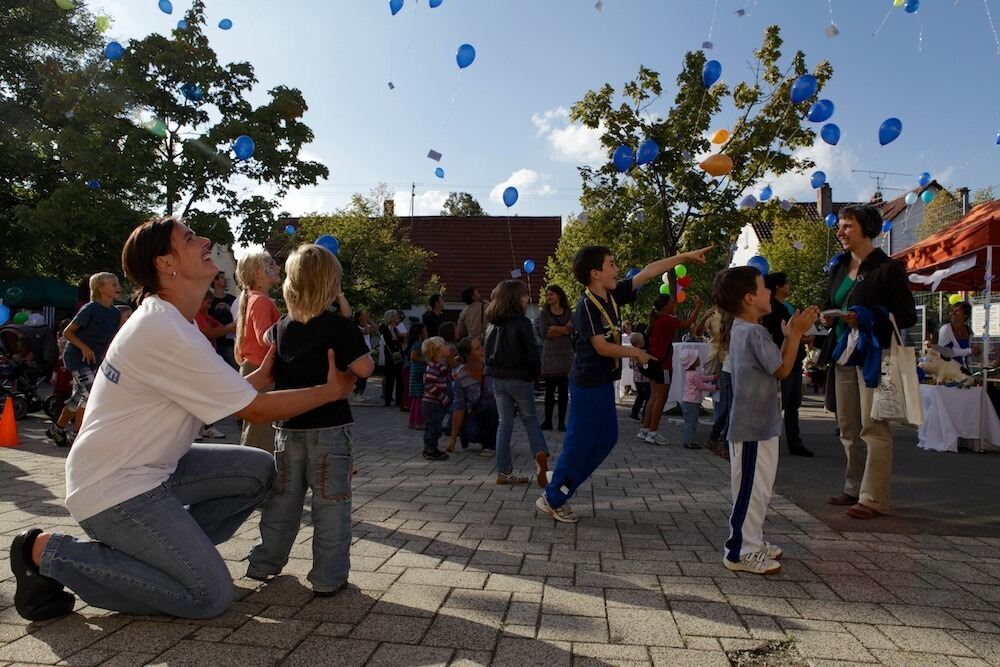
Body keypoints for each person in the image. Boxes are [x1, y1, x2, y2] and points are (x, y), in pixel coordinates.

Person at [8, 217, 356, 622]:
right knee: (208, 597)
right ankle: (45, 552)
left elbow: (243, 388)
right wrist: (332, 391)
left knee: (260, 468)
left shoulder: (176, 321)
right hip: (114, 489)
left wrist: (272, 367)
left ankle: (164, 554)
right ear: (165, 264)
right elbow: (254, 410)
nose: (206, 240)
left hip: (153, 472)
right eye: (190, 239)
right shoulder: (164, 328)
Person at [536, 245, 712, 523]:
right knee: (578, 443)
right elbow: (602, 347)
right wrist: (636, 353)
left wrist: (684, 257)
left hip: (603, 381)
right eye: (611, 264)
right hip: (586, 384)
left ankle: (559, 483)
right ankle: (554, 495)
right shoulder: (585, 307)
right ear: (596, 274)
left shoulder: (613, 293)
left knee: (607, 439)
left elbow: (649, 271)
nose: (617, 268)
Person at [246, 244, 373, 596]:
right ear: (332, 285)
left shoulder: (282, 326)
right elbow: (364, 368)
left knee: (283, 501)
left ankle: (264, 563)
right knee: (331, 504)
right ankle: (327, 578)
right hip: (330, 428)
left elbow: (267, 364)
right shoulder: (339, 327)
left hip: (287, 430)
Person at [713, 266, 818, 574]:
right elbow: (783, 370)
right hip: (753, 427)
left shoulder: (748, 330)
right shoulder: (753, 332)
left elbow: (777, 365)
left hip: (758, 425)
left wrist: (789, 336)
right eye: (762, 288)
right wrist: (796, 333)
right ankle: (739, 550)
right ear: (749, 298)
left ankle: (752, 541)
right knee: (751, 489)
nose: (769, 292)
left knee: (758, 489)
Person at [819, 204, 917, 520]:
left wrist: (863, 317)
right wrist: (826, 316)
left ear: (866, 229)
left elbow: (905, 316)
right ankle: (852, 486)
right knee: (847, 426)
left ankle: (874, 498)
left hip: (874, 357)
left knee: (873, 427)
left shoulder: (888, 269)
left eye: (847, 226)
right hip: (842, 354)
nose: (840, 231)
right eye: (840, 226)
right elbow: (829, 300)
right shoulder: (837, 267)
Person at [483, 281, 551, 486]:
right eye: (524, 296)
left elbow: (487, 352)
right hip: (520, 378)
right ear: (514, 298)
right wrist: (535, 374)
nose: (527, 299)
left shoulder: (492, 323)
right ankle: (540, 456)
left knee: (504, 424)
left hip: (497, 378)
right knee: (530, 420)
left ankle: (503, 472)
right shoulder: (522, 323)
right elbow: (532, 352)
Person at [46, 272, 122, 448]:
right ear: (100, 288)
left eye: (118, 283)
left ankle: (57, 429)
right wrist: (84, 347)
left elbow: (112, 337)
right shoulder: (90, 308)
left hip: (95, 360)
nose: (118, 287)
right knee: (91, 392)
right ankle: (79, 435)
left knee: (79, 397)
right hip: (77, 358)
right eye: (113, 284)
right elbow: (68, 332)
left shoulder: (115, 313)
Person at [637, 292, 702, 445]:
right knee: (661, 398)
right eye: (673, 302)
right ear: (666, 306)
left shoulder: (657, 320)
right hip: (663, 366)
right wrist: (698, 306)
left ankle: (645, 429)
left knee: (653, 397)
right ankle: (653, 432)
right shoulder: (667, 320)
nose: (675, 304)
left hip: (654, 364)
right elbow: (688, 323)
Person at [761, 273, 813, 457]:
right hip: (782, 360)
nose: (790, 285)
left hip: (794, 358)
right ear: (778, 286)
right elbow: (779, 336)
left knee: (793, 402)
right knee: (781, 402)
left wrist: (800, 336)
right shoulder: (772, 309)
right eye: (787, 282)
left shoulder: (786, 307)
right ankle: (771, 440)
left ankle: (794, 441)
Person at [234, 251, 281, 453]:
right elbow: (265, 337)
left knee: (257, 432)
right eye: (271, 263)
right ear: (257, 273)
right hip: (261, 370)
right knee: (261, 437)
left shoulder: (253, 299)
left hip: (254, 368)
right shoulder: (261, 301)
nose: (278, 267)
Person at [194, 290, 237, 440]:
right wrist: (229, 328)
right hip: (200, 361)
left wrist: (226, 328)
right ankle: (199, 429)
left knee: (209, 395)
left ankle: (208, 427)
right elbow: (209, 332)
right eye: (207, 302)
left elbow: (216, 327)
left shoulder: (203, 315)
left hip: (208, 358)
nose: (209, 306)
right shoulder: (196, 315)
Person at [447, 337, 498, 455]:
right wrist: (453, 439)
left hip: (495, 411)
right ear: (468, 355)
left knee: (492, 405)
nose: (482, 350)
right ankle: (466, 433)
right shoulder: (461, 378)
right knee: (473, 434)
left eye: (481, 347)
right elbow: (459, 407)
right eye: (477, 349)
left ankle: (489, 445)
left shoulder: (491, 368)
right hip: (476, 412)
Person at [695, 306, 733, 458]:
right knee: (729, 406)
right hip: (727, 363)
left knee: (727, 405)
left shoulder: (734, 313)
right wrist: (704, 316)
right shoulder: (723, 314)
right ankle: (724, 443)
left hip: (726, 362)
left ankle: (715, 438)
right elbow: (697, 333)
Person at [538, 284, 574, 431]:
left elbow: (571, 329)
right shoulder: (544, 313)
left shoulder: (568, 312)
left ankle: (561, 422)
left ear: (559, 295)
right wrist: (563, 330)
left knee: (564, 392)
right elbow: (545, 332)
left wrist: (556, 329)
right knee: (550, 392)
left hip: (565, 354)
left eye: (551, 294)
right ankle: (547, 421)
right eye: (547, 295)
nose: (549, 297)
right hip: (550, 354)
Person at [421, 336, 451, 461]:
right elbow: (429, 384)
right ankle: (430, 450)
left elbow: (442, 378)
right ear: (438, 351)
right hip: (432, 403)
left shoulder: (439, 365)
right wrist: (442, 396)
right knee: (433, 427)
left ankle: (432, 448)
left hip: (435, 403)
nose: (447, 346)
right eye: (444, 345)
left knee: (435, 427)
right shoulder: (434, 367)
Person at [679, 347, 715, 450]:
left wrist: (712, 377)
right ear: (693, 362)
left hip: (687, 401)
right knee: (692, 423)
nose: (699, 359)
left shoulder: (690, 373)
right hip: (692, 402)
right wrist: (713, 387)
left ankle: (688, 440)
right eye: (697, 358)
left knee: (688, 423)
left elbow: (702, 378)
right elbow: (701, 386)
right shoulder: (695, 374)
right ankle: (689, 441)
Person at [210, 271, 238, 369]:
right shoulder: (209, 302)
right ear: (215, 281)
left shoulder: (232, 299)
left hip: (233, 342)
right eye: (222, 277)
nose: (225, 279)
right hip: (218, 343)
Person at [379, 311, 405, 407]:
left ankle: (399, 400)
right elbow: (389, 341)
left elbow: (400, 341)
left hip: (398, 356)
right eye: (396, 316)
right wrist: (398, 339)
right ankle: (388, 399)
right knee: (390, 379)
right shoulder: (385, 329)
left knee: (400, 379)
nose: (398, 317)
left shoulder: (395, 329)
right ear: (391, 318)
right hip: (390, 357)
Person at [938, 301, 973, 371]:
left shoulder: (968, 331)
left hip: (964, 371)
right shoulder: (946, 329)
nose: (952, 313)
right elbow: (945, 352)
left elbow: (970, 356)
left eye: (957, 311)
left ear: (965, 315)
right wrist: (969, 351)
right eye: (952, 311)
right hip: (948, 372)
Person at [352, 310, 377, 404]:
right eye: (364, 315)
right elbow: (366, 332)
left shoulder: (366, 325)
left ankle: (361, 393)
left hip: (367, 353)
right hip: (360, 354)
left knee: (366, 374)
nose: (366, 316)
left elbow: (375, 328)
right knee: (361, 374)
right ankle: (357, 394)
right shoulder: (355, 327)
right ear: (358, 317)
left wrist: (369, 320)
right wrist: (366, 323)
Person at [406, 322, 428, 429]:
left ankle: (412, 420)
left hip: (416, 373)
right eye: (425, 330)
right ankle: (419, 421)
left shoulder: (416, 343)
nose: (426, 332)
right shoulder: (418, 344)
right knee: (420, 396)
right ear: (420, 333)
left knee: (416, 397)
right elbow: (414, 357)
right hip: (418, 373)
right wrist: (425, 360)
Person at [628, 332, 651, 422]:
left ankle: (634, 412)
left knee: (640, 396)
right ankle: (645, 416)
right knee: (648, 397)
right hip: (645, 379)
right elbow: (645, 364)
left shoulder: (631, 352)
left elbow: (630, 365)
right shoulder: (643, 352)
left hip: (636, 378)